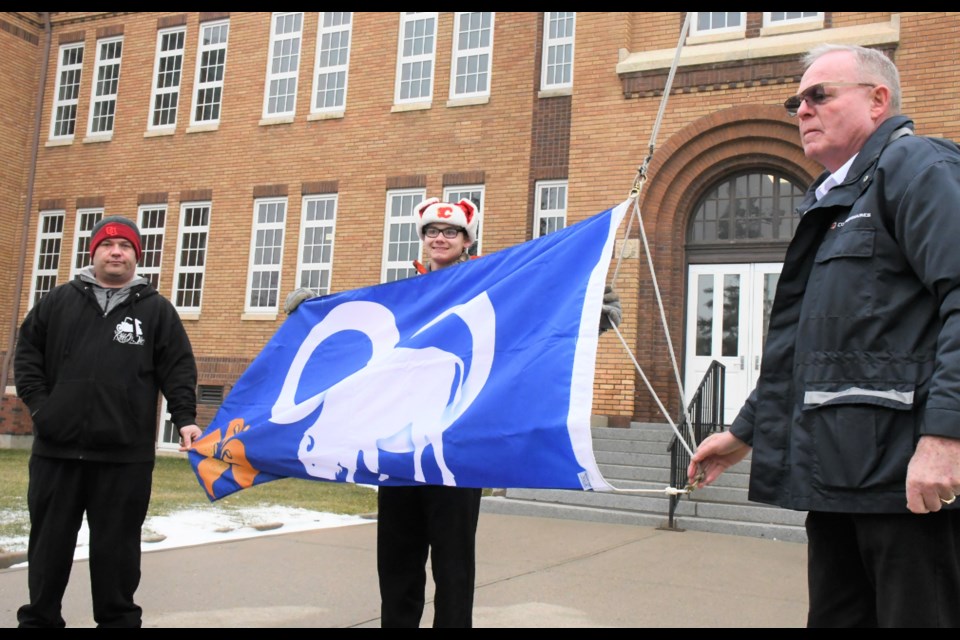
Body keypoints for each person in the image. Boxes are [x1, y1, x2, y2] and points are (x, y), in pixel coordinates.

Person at [688, 44, 960, 628]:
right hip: (840, 481)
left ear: (877, 99)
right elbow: (813, 351)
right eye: (796, 100)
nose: (802, 109)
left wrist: (946, 438)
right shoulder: (833, 200)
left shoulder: (917, 169)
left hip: (906, 483)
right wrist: (744, 433)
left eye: (820, 95)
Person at [285, 197, 622, 627]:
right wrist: (314, 313)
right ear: (422, 240)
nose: (439, 238)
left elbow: (532, 321)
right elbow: (360, 341)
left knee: (454, 566)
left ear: (467, 241)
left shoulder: (492, 287)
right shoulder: (404, 297)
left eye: (450, 232)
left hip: (456, 453)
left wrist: (587, 311)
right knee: (397, 564)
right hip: (398, 452)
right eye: (431, 231)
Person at [14, 215, 201, 628]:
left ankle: (117, 622)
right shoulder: (58, 301)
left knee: (116, 555)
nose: (116, 252)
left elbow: (178, 370)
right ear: (93, 252)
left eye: (126, 246)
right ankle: (39, 620)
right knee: (48, 549)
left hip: (124, 458)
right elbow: (27, 356)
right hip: (57, 453)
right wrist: (43, 409)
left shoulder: (156, 311)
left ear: (137, 256)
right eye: (107, 245)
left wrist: (185, 419)